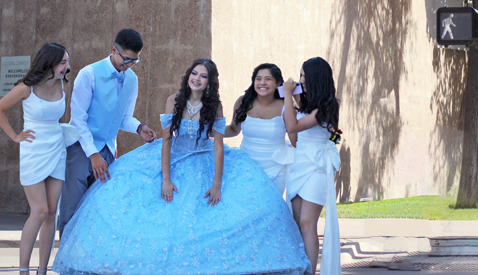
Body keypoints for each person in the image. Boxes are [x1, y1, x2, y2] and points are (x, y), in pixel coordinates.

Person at [54, 58, 309, 275]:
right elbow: (166, 141)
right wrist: (166, 178)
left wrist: (217, 184)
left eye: (203, 76)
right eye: (194, 73)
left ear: (210, 82)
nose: (197, 78)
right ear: (189, 75)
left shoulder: (215, 106)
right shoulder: (173, 100)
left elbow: (218, 146)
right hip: (174, 157)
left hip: (205, 158)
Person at [58, 28, 157, 236]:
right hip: (81, 149)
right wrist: (93, 154)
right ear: (113, 50)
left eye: (135, 60)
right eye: (126, 59)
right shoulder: (89, 74)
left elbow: (124, 118)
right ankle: (65, 253)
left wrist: (139, 128)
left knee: (98, 210)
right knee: (71, 208)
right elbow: (78, 119)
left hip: (107, 152)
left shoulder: (132, 80)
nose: (129, 64)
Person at [0, 42, 78, 275]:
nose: (67, 67)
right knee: (39, 210)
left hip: (56, 149)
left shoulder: (62, 85)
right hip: (33, 151)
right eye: (63, 62)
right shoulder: (26, 88)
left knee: (51, 212)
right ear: (49, 63)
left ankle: (42, 271)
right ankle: (23, 270)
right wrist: (15, 136)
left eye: (67, 62)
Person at [284, 57, 342, 275]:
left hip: (317, 166)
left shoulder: (327, 106)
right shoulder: (307, 105)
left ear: (316, 78)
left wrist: (288, 95)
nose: (301, 80)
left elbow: (293, 126)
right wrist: (295, 101)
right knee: (297, 222)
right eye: (300, 76)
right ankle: (299, 267)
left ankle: (310, 271)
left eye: (305, 77)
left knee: (308, 223)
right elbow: (294, 138)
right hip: (300, 164)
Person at [224, 61, 295, 195]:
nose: (262, 83)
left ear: (278, 83)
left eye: (268, 79)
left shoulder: (285, 106)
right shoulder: (243, 102)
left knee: (271, 205)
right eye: (258, 79)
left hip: (275, 169)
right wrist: (207, 130)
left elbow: (295, 140)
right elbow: (233, 130)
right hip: (246, 167)